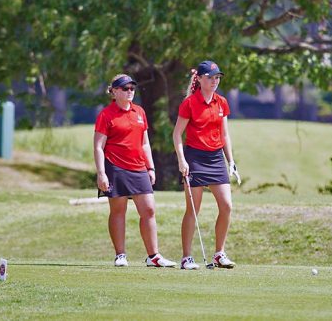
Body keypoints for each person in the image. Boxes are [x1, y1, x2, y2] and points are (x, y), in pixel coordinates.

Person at [94, 73, 176, 268]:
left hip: (139, 167)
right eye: (125, 88)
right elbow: (98, 146)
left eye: (132, 88)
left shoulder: (139, 112)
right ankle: (120, 255)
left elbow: (145, 143)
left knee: (148, 210)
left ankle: (153, 256)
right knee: (118, 211)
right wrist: (101, 173)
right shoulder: (106, 114)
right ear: (114, 92)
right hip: (115, 167)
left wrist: (151, 167)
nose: (130, 91)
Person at [172, 61, 241, 270]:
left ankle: (219, 253)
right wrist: (181, 160)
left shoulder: (221, 102)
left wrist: (231, 161)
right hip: (195, 158)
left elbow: (225, 134)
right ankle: (186, 257)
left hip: (216, 158)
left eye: (217, 77)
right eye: (210, 77)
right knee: (193, 209)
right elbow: (176, 134)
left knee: (227, 206)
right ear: (200, 79)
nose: (214, 81)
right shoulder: (189, 103)